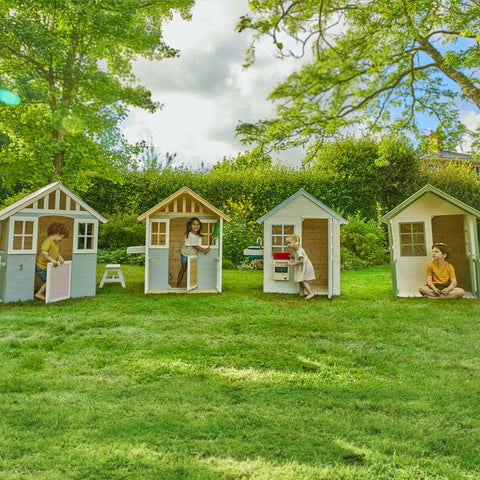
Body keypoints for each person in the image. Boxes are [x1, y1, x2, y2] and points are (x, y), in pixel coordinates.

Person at [34, 222, 69, 301]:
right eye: (61, 237)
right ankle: (39, 294)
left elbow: (56, 252)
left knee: (50, 281)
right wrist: (52, 260)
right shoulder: (48, 241)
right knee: (49, 281)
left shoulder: (55, 243)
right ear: (57, 233)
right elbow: (44, 252)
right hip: (42, 267)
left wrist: (60, 257)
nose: (61, 239)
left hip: (47, 267)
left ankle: (48, 294)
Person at [176, 217, 210, 288]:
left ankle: (192, 285)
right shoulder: (190, 235)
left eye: (198, 224)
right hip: (185, 254)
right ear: (190, 226)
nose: (196, 226)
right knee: (183, 269)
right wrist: (205, 250)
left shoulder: (197, 235)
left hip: (192, 255)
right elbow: (195, 246)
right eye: (194, 224)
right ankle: (178, 284)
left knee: (192, 269)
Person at [286, 233, 315, 300]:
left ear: (295, 242)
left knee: (303, 280)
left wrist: (291, 264)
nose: (288, 245)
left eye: (289, 243)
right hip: (303, 267)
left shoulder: (299, 250)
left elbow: (301, 261)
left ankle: (310, 293)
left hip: (305, 267)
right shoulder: (297, 250)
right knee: (300, 280)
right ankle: (301, 293)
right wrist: (293, 257)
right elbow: (299, 258)